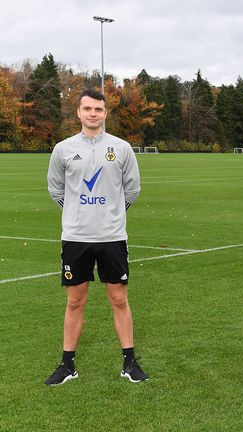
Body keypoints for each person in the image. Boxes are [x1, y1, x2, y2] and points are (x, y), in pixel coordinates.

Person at [45, 89, 147, 385]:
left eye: (98, 109)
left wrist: (111, 213)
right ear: (78, 112)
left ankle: (129, 362)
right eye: (87, 109)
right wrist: (78, 213)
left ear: (105, 113)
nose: (93, 114)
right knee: (75, 301)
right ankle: (67, 366)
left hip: (112, 236)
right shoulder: (63, 149)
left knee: (118, 298)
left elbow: (133, 189)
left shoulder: (121, 148)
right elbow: (55, 189)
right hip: (76, 237)